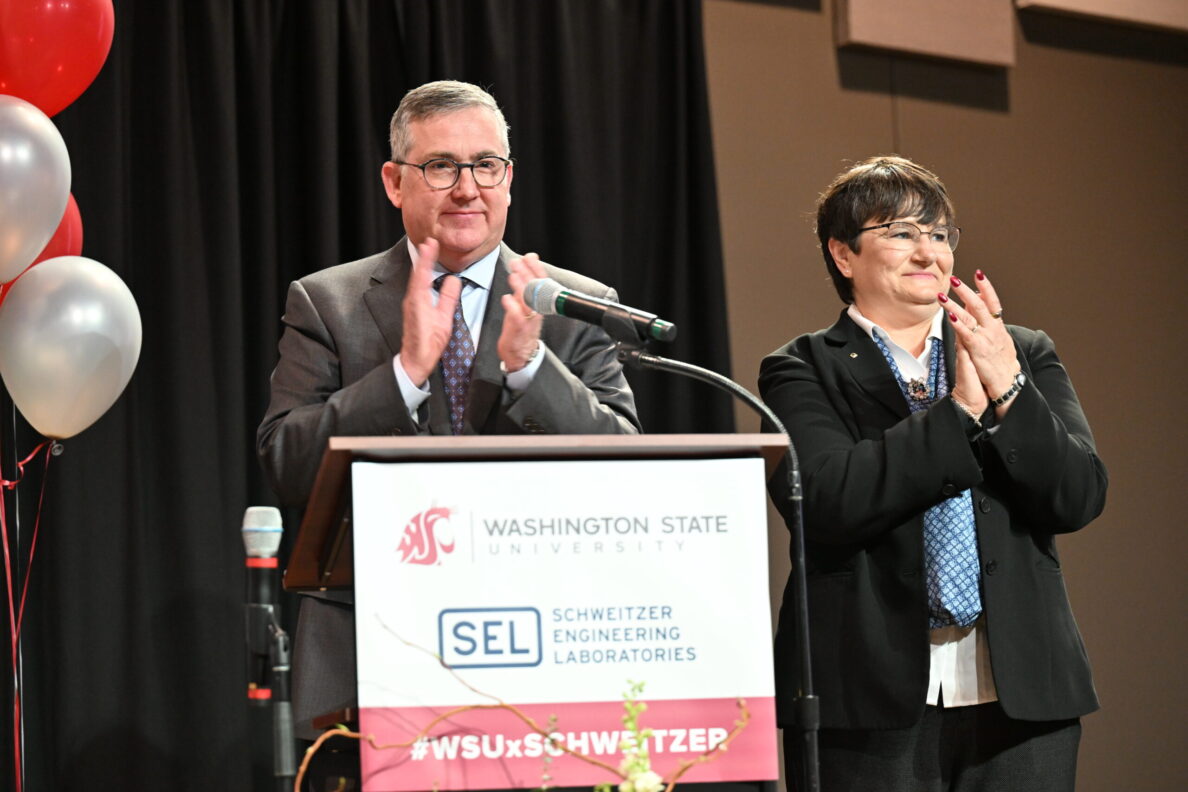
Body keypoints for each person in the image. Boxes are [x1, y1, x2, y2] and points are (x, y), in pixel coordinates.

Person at [256, 80, 641, 780]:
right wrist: (402, 373)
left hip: (538, 644)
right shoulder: (327, 302)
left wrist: (531, 370)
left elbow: (624, 463)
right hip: (369, 649)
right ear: (394, 181)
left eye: (485, 165)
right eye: (441, 166)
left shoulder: (571, 304)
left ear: (509, 180)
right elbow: (283, 461)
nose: (467, 188)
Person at [760, 156, 1106, 791]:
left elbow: (1077, 496)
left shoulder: (1020, 351)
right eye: (900, 232)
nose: (928, 252)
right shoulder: (803, 368)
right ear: (843, 254)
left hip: (1022, 692)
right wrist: (961, 414)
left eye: (940, 234)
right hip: (866, 696)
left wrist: (1008, 391)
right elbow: (828, 501)